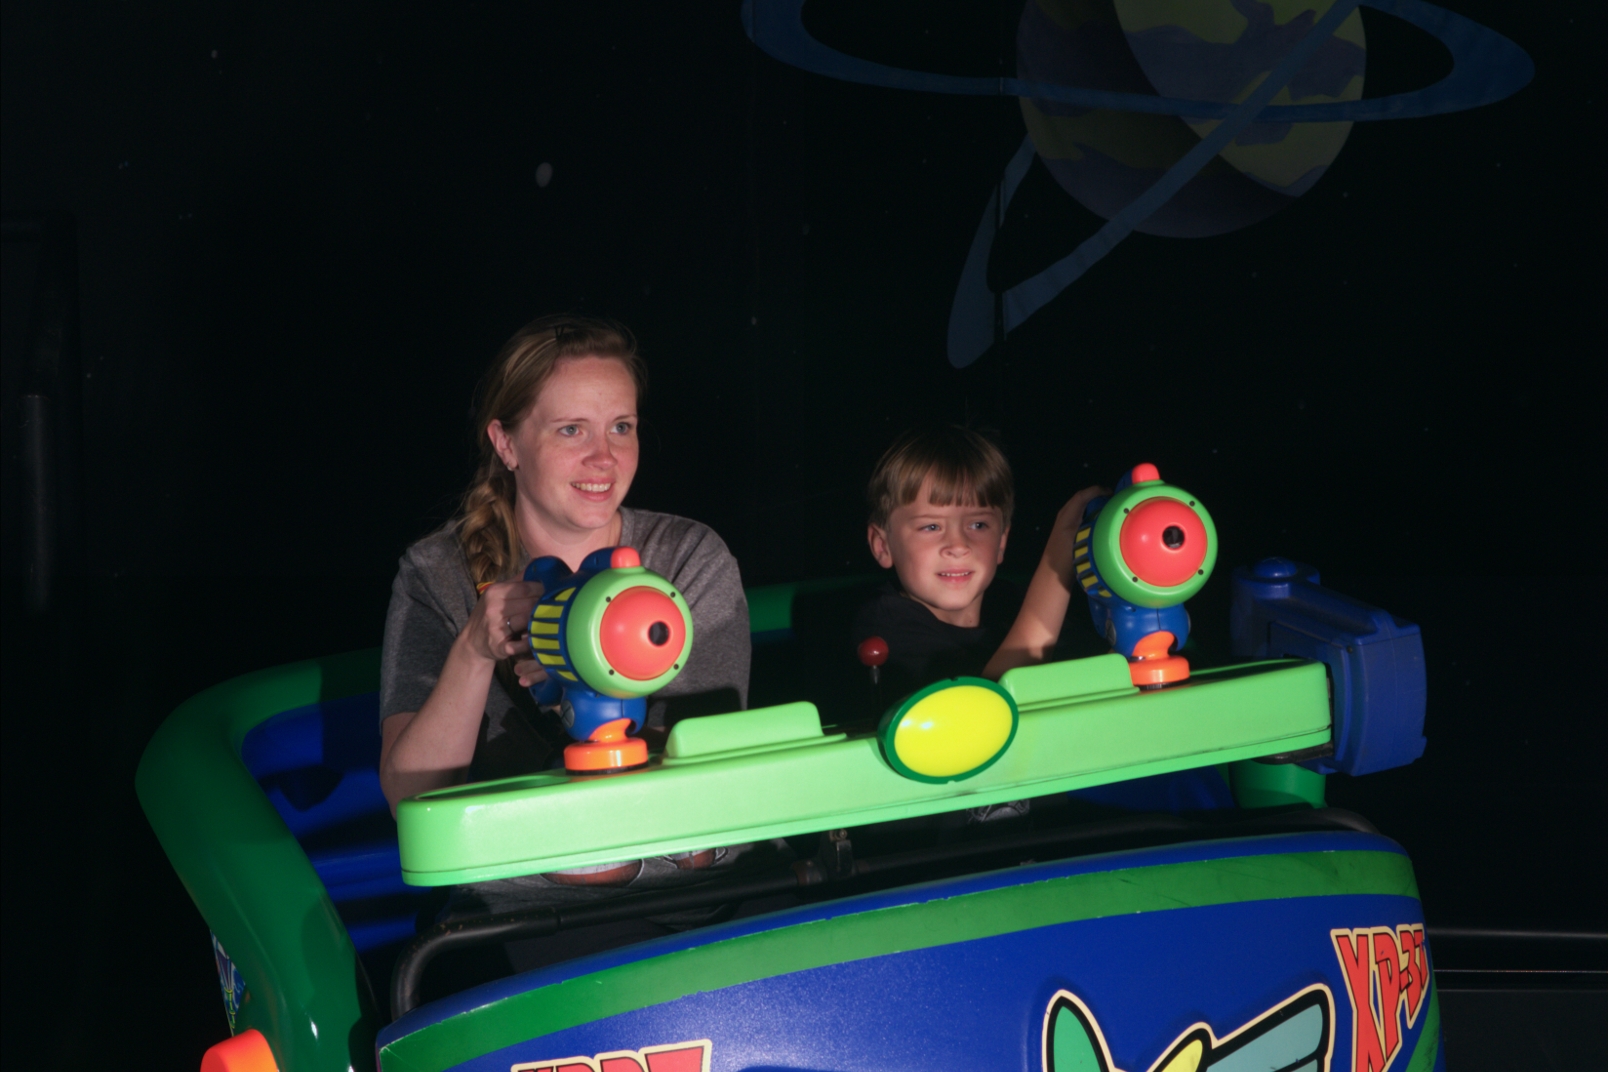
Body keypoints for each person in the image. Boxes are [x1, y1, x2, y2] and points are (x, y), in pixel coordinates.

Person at [378, 315, 762, 918]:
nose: (603, 457)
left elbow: (711, 777)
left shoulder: (688, 556)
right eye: (571, 430)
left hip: (699, 894)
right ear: (507, 444)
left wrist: (588, 685)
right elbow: (412, 801)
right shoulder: (438, 574)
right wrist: (474, 650)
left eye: (621, 427)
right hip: (533, 914)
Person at [852, 425, 1105, 700]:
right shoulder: (885, 627)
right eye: (931, 527)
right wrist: (1057, 564)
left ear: (1002, 541)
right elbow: (984, 708)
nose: (958, 546)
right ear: (882, 545)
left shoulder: (1010, 602)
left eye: (977, 525)